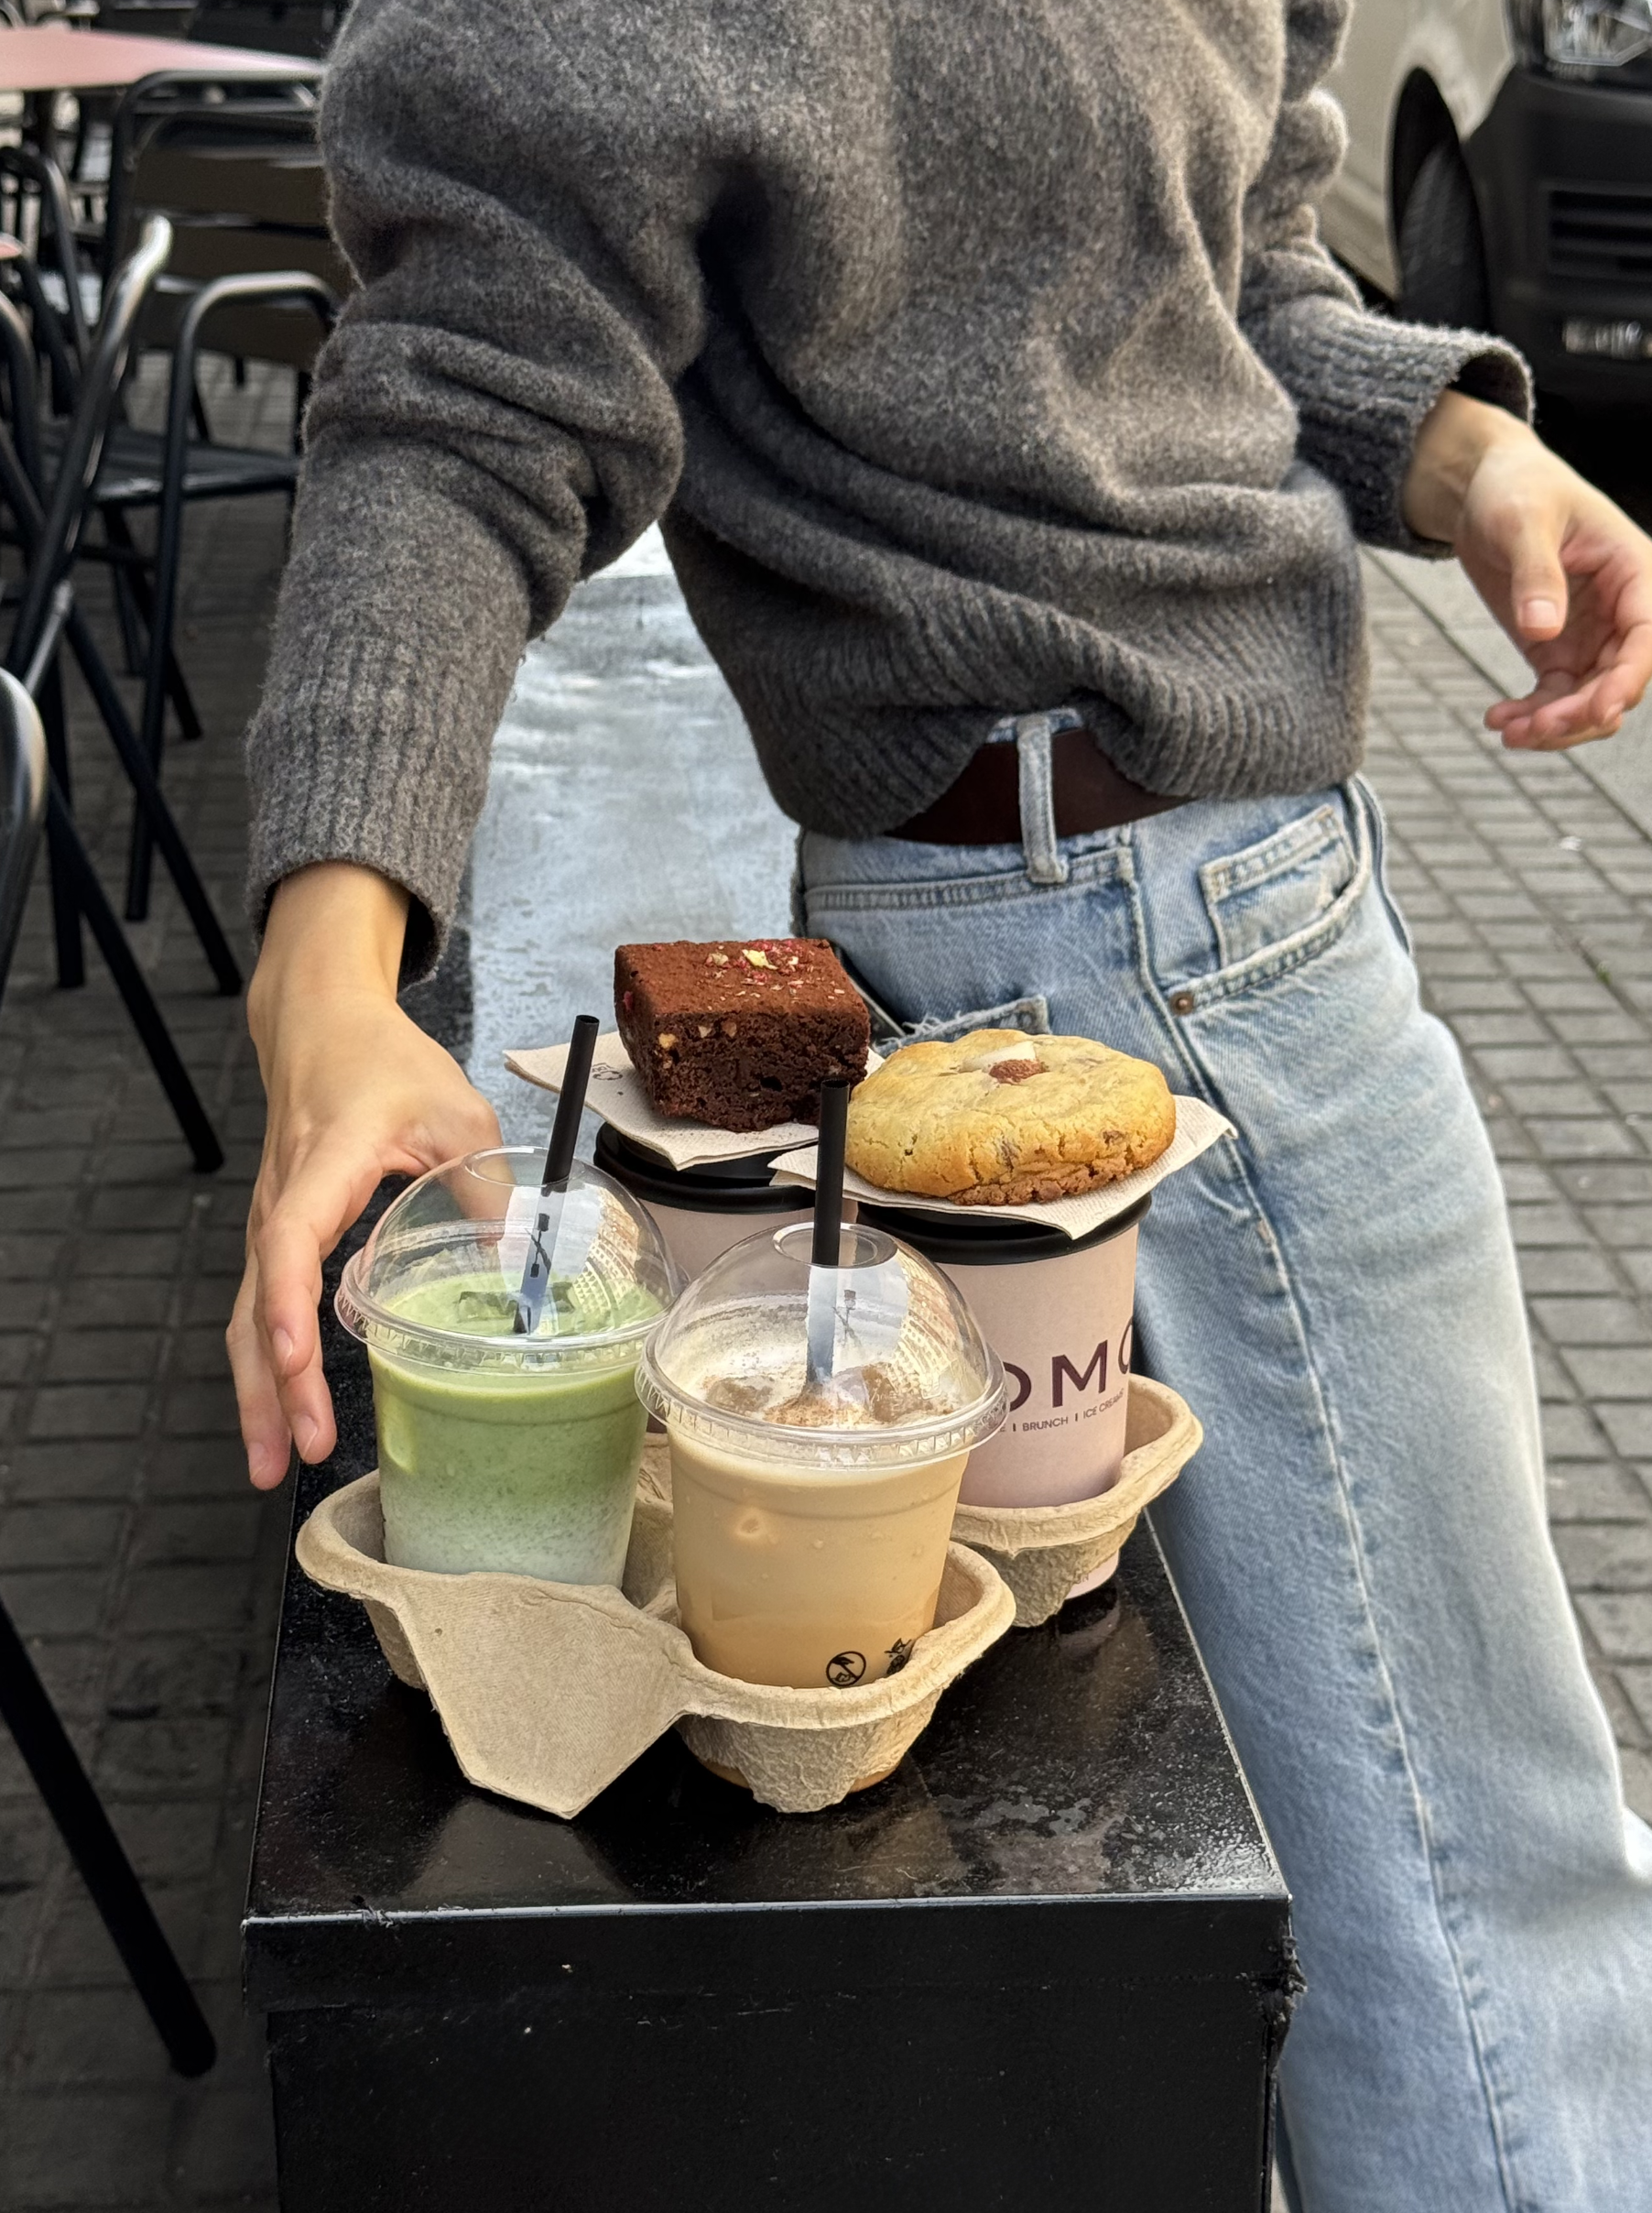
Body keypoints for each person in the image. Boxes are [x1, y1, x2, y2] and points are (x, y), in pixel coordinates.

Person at [230, 2, 1652, 2204]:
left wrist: (1467, 456)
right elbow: (461, 394)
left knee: (1283, 1861)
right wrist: (327, 982)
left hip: (1178, 913)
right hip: (1110, 946)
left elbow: (1224, 262)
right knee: (1464, 1893)